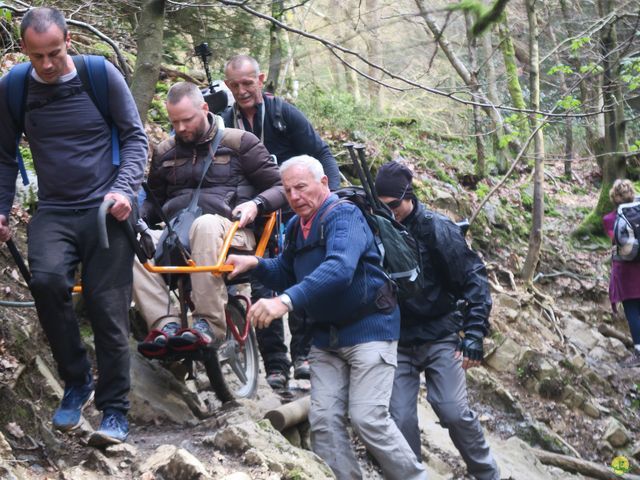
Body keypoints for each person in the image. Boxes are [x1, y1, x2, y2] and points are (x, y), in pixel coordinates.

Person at [226, 155, 427, 480]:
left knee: (367, 418)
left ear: (323, 184)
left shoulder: (344, 216)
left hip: (370, 329)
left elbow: (339, 269)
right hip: (327, 338)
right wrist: (256, 264)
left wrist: (286, 302)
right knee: (324, 421)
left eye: (301, 187)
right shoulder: (296, 225)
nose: (294, 197)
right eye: (288, 190)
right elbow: (287, 271)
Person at [0, 7, 147, 446]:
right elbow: (5, 156)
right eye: (37, 55)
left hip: (107, 208)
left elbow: (135, 136)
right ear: (23, 50)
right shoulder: (14, 88)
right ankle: (77, 379)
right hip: (55, 209)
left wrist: (124, 190)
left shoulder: (99, 75)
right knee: (45, 282)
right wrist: (2, 209)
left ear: (69, 41)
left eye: (55, 53)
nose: (46, 64)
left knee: (107, 307)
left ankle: (115, 412)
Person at [133, 81, 286, 356]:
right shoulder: (166, 151)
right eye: (175, 121)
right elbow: (153, 205)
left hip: (232, 233)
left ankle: (209, 325)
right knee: (132, 245)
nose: (181, 128)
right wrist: (135, 220)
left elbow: (282, 187)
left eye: (187, 120)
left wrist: (256, 203)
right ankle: (164, 325)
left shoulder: (241, 143)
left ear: (204, 109)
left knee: (204, 225)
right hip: (176, 235)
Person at [375, 161, 500, 480]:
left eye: (394, 206)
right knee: (399, 417)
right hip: (397, 340)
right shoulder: (377, 228)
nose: (390, 213)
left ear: (410, 196)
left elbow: (473, 277)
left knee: (452, 410)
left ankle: (487, 473)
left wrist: (473, 333)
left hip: (441, 335)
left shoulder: (436, 228)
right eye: (383, 207)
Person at [222, 54, 341, 388]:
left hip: (295, 210)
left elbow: (322, 153)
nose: (242, 91)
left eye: (248, 83)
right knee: (261, 281)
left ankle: (303, 354)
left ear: (260, 79)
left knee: (300, 275)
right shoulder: (225, 120)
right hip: (253, 211)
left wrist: (335, 200)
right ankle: (275, 364)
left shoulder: (283, 114)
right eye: (234, 85)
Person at [603, 179, 640, 368]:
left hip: (626, 270)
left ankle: (639, 352)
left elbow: (616, 242)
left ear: (613, 198)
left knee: (633, 309)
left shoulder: (610, 219)